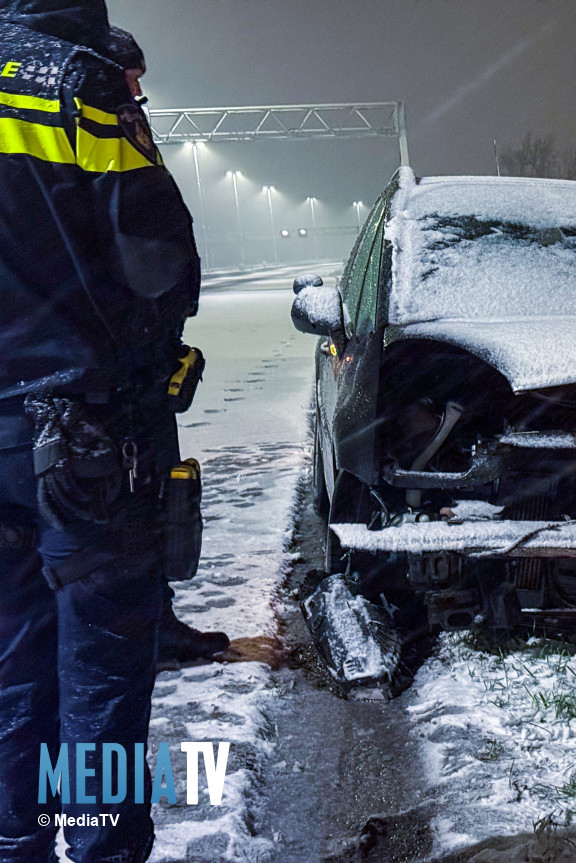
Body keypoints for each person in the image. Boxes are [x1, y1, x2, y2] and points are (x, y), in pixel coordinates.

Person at [0, 1, 196, 859]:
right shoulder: (75, 84)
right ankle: (104, 847)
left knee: (12, 668)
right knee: (104, 672)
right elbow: (159, 267)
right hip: (83, 436)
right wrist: (148, 377)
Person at [101, 24, 231, 665]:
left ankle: (155, 623)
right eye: (130, 71)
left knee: (155, 493)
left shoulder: (123, 124)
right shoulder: (97, 129)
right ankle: (139, 633)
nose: (139, 84)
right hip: (118, 358)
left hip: (146, 349)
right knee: (131, 501)